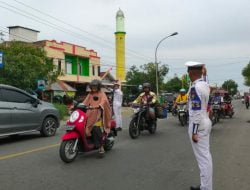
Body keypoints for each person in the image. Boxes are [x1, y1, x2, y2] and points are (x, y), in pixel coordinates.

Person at [185, 61, 213, 190]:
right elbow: (206, 85)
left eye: (188, 72)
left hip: (198, 124)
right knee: (205, 156)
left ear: (190, 73)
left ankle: (206, 188)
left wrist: (194, 132)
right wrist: (205, 74)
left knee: (203, 159)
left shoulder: (195, 87)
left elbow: (195, 110)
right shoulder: (204, 85)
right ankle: (205, 185)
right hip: (205, 121)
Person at [83, 79, 112, 157]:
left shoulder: (102, 93)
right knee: (82, 124)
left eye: (95, 86)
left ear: (98, 86)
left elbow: (104, 101)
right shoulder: (90, 94)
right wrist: (80, 105)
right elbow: (85, 102)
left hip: (100, 113)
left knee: (96, 127)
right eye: (92, 86)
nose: (94, 87)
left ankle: (101, 147)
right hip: (90, 113)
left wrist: (100, 105)